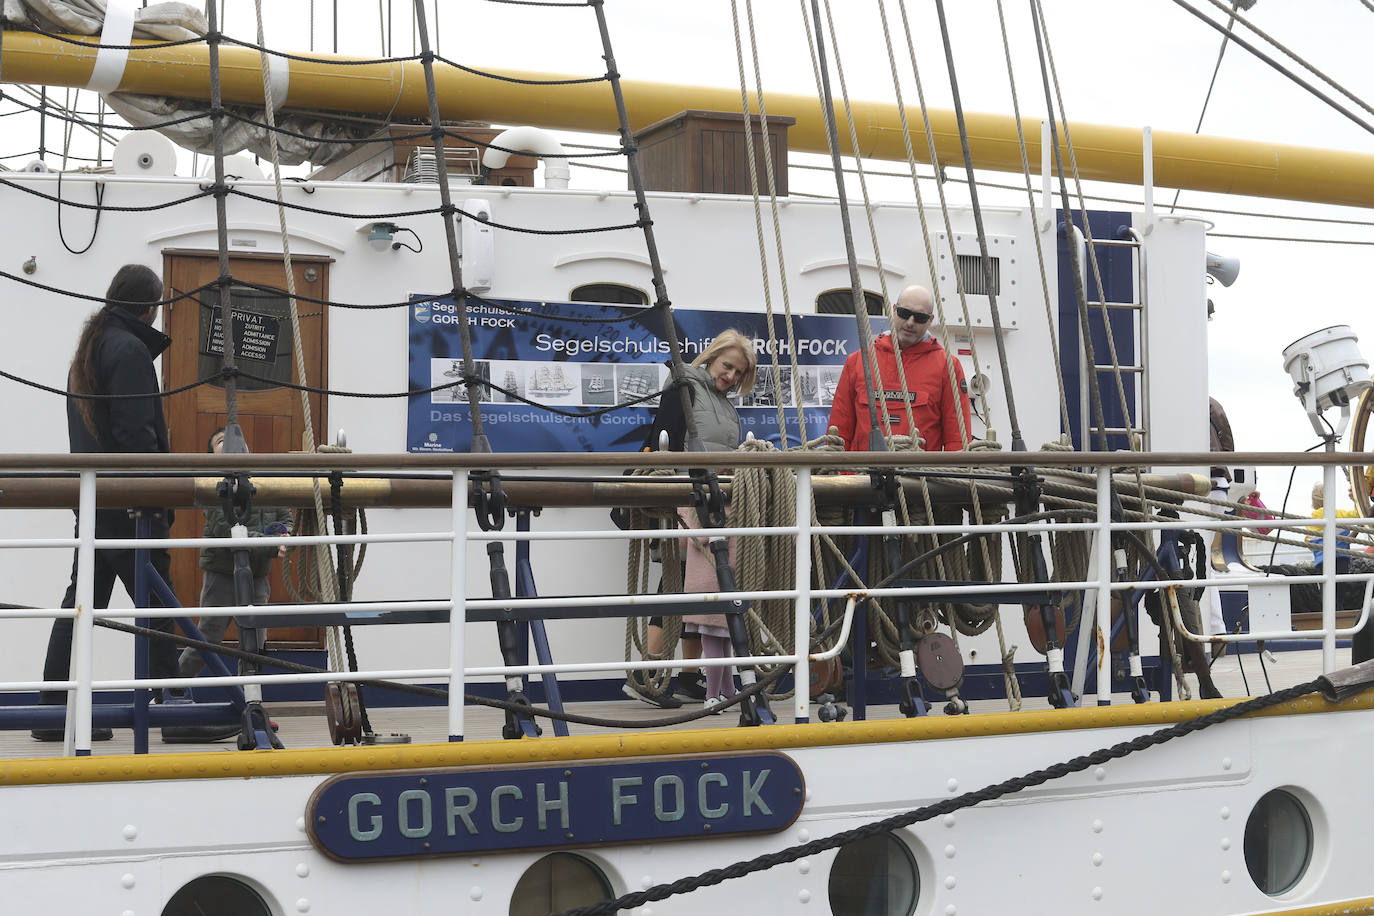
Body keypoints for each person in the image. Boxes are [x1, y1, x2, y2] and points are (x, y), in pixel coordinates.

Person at [36, 264, 180, 741]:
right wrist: (157, 495)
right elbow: (137, 435)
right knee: (156, 605)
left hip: (99, 501)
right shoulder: (129, 349)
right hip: (131, 505)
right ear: (151, 306)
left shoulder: (92, 347)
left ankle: (53, 710)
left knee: (86, 604)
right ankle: (178, 710)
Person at [623, 329, 758, 708]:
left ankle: (685, 677)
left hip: (713, 503)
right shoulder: (685, 386)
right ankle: (648, 677)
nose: (730, 376)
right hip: (683, 500)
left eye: (738, 372)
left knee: (695, 587)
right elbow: (663, 438)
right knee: (675, 582)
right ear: (712, 357)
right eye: (727, 366)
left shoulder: (724, 404)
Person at [161, 428, 293, 743]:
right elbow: (227, 530)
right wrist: (268, 542)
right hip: (222, 572)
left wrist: (284, 536)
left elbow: (284, 516)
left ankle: (249, 705)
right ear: (213, 455)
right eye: (220, 441)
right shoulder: (214, 487)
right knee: (207, 639)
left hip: (257, 574)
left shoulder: (266, 482)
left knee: (256, 642)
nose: (229, 443)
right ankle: (169, 696)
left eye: (234, 438)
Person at [827, 285, 972, 451]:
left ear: (930, 320)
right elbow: (838, 433)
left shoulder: (948, 367)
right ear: (894, 310)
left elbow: (958, 440)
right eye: (904, 313)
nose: (910, 322)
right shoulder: (857, 362)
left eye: (919, 317)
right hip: (861, 475)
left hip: (920, 475)